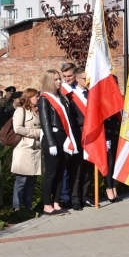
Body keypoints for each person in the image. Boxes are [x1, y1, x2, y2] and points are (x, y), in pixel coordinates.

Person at [38, 70, 72, 215]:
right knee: (51, 173)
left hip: (64, 137)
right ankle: (47, 205)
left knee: (60, 172)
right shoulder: (44, 99)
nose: (59, 82)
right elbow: (45, 122)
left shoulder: (62, 98)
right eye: (56, 79)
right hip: (52, 137)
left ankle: (56, 202)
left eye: (59, 79)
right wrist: (51, 143)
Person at [61, 63, 90, 210]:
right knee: (76, 168)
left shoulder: (89, 93)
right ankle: (74, 198)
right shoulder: (67, 94)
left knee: (87, 166)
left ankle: (85, 196)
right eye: (64, 76)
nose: (66, 79)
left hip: (90, 134)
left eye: (69, 76)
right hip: (76, 133)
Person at [11, 88, 42, 211]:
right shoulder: (21, 110)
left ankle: (28, 206)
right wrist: (34, 132)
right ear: (29, 97)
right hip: (24, 149)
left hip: (37, 149)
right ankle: (17, 207)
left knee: (31, 181)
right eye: (36, 96)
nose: (38, 98)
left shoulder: (38, 111)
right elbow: (17, 128)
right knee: (21, 180)